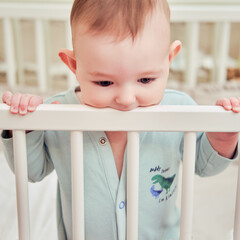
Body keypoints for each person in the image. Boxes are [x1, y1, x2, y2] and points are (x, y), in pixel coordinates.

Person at [1, 0, 240, 239]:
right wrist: (27, 127)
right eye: (104, 82)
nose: (126, 99)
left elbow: (203, 165)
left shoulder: (181, 110)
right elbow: (31, 171)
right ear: (74, 65)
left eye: (145, 80)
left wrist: (222, 137)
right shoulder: (57, 111)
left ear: (169, 59)